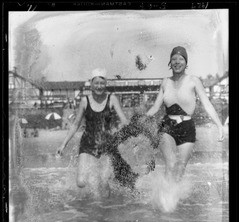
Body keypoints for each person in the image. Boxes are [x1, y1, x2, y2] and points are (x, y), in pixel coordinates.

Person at [146, 46, 224, 183]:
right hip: (167, 126)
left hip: (187, 126)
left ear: (186, 63)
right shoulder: (165, 82)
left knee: (180, 167)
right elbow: (155, 107)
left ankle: (173, 199)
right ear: (170, 62)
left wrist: (219, 125)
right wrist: (138, 123)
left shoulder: (194, 81)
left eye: (181, 58)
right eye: (174, 58)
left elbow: (207, 104)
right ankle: (166, 201)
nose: (177, 61)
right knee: (170, 164)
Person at [57, 68, 129, 197]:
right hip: (87, 143)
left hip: (107, 144)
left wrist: (130, 137)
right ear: (91, 84)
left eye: (102, 83)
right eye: (96, 83)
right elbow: (76, 124)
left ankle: (105, 210)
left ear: (105, 84)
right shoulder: (85, 100)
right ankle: (92, 195)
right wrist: (63, 144)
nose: (99, 86)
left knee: (104, 182)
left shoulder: (112, 99)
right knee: (81, 182)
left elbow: (124, 120)